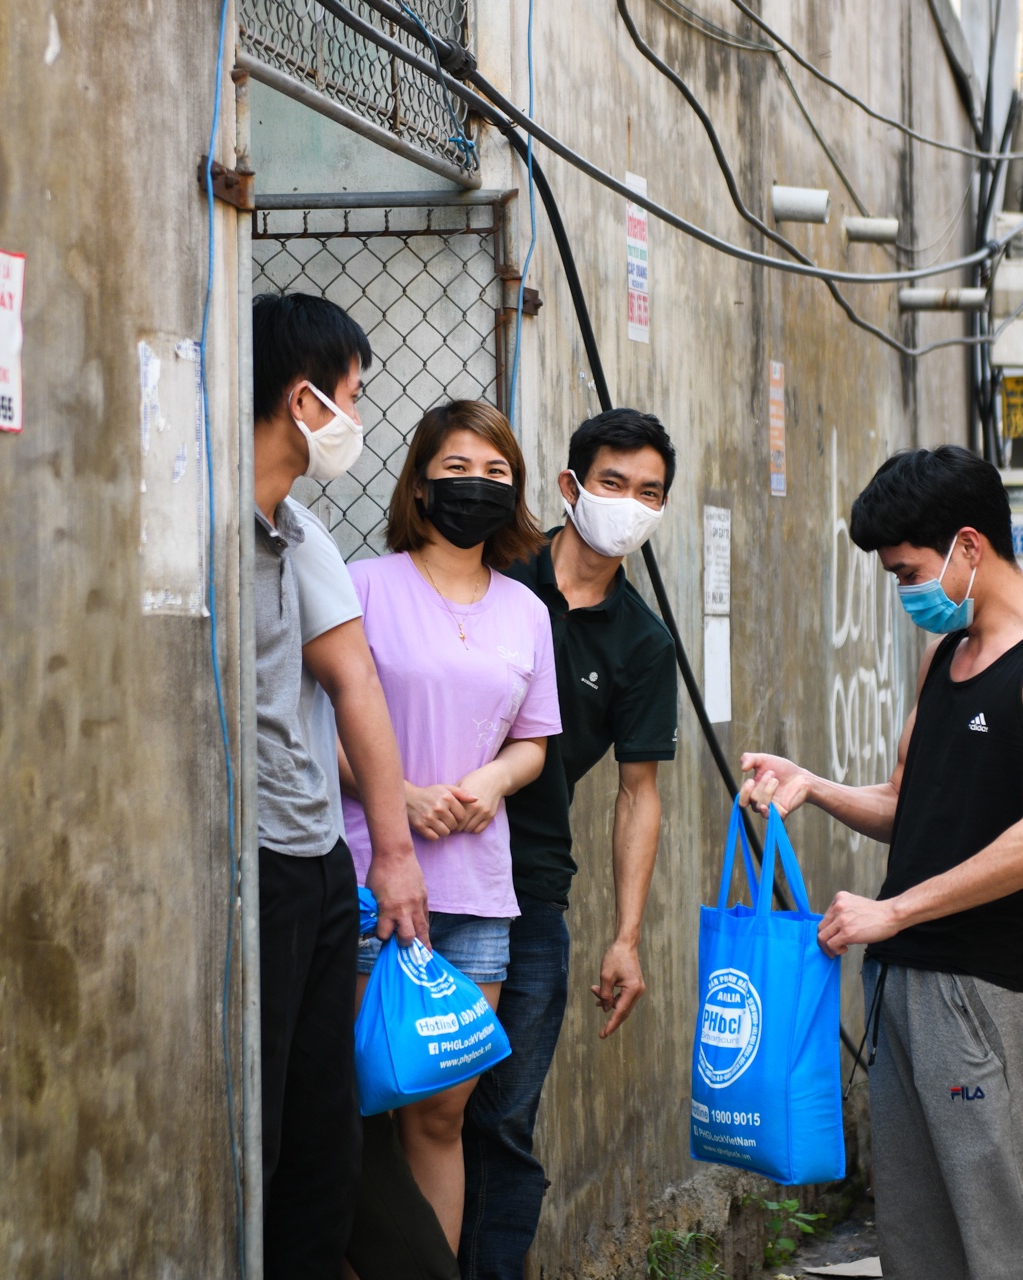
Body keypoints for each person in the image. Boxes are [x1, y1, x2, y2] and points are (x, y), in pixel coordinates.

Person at [740, 445, 1023, 1280]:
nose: (904, 590)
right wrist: (816, 787)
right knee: (915, 1241)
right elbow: (913, 808)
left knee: (996, 1233)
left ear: (969, 547)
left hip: (975, 991)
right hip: (898, 978)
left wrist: (895, 910)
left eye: (908, 570)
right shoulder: (946, 656)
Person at [458, 409, 680, 1279]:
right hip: (416, 865)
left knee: (504, 1117)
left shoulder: (643, 643)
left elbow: (638, 793)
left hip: (530, 890)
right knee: (399, 1103)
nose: (629, 504)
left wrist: (625, 936)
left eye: (649, 492)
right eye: (614, 484)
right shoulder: (492, 570)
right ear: (571, 487)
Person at [340, 399, 562, 1255]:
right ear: (420, 483)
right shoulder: (361, 587)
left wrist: (487, 781)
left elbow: (534, 743)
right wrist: (406, 794)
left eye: (497, 473)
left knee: (442, 1114)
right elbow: (320, 729)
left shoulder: (525, 610)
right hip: (372, 881)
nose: (477, 487)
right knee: (368, 1104)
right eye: (458, 470)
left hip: (476, 889)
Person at [251, 291, 428, 1279]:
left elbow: (355, 679)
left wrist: (390, 856)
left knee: (325, 1130)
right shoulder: (207, 515)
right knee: (264, 1122)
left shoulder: (304, 532)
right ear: (303, 397)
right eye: (352, 394)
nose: (355, 418)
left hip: (315, 862)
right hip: (254, 865)